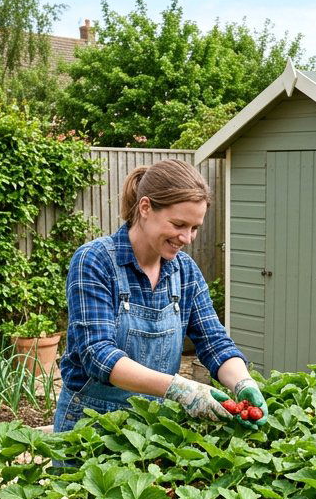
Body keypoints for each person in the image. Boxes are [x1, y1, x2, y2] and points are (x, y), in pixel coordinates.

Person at [54, 159, 267, 431]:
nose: (187, 238)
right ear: (145, 207)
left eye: (194, 228)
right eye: (179, 224)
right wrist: (181, 389)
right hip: (89, 424)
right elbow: (98, 355)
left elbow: (215, 342)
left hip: (152, 428)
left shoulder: (185, 271)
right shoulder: (95, 261)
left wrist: (243, 382)